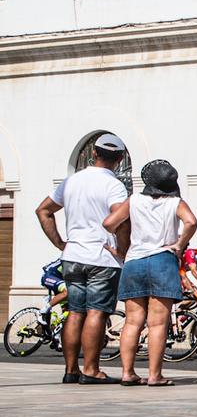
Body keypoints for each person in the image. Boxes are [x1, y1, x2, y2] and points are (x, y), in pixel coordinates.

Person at [34, 132, 128, 385]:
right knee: (97, 313)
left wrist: (60, 243)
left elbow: (43, 210)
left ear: (93, 154)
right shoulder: (114, 185)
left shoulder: (71, 181)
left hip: (72, 256)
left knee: (75, 312)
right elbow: (121, 218)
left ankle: (71, 369)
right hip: (101, 258)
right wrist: (122, 250)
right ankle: (91, 370)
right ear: (120, 158)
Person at [103, 159, 196, 387]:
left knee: (132, 322)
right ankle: (155, 375)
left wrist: (123, 237)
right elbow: (191, 222)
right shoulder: (175, 202)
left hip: (134, 261)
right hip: (162, 261)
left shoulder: (133, 200)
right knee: (157, 324)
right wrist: (179, 244)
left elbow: (109, 223)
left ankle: (127, 372)